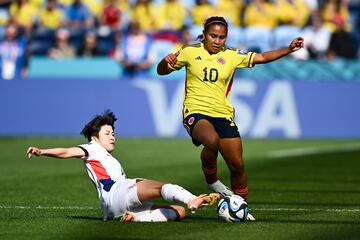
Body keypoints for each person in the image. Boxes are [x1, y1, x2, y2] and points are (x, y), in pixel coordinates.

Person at [157, 16, 304, 221]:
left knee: (238, 165)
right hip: (195, 112)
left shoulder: (233, 55)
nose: (217, 41)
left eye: (222, 37)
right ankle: (212, 180)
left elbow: (261, 57)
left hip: (223, 114)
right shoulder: (189, 51)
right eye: (213, 36)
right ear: (205, 34)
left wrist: (288, 49)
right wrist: (165, 62)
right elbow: (161, 71)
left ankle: (241, 207)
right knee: (211, 141)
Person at [26, 110, 220, 222]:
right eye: (107, 133)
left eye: (113, 133)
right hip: (116, 193)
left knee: (179, 212)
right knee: (161, 187)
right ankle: (193, 198)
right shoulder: (91, 148)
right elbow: (67, 152)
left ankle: (132, 218)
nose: (112, 136)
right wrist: (43, 151)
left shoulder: (108, 157)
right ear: (95, 137)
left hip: (113, 208)